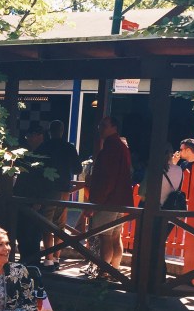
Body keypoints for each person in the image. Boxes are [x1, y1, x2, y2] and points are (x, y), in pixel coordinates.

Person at [86, 116, 133, 277]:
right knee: (114, 236)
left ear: (114, 127)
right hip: (120, 200)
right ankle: (115, 269)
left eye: (104, 125)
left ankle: (103, 272)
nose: (100, 128)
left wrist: (96, 202)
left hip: (108, 200)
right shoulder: (121, 146)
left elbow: (107, 178)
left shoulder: (111, 147)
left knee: (105, 236)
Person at [41, 119, 82, 270]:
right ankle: (56, 257)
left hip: (47, 189)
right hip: (64, 190)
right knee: (59, 225)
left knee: (46, 223)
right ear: (62, 131)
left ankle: (48, 258)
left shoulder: (44, 146)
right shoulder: (69, 148)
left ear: (50, 131)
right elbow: (78, 170)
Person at [13, 125, 50, 268]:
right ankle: (24, 261)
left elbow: (45, 180)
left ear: (39, 135)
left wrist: (39, 199)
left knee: (33, 233)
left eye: (30, 136)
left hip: (35, 199)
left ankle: (32, 263)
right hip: (22, 197)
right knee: (22, 232)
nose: (28, 139)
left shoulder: (45, 153)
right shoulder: (25, 153)